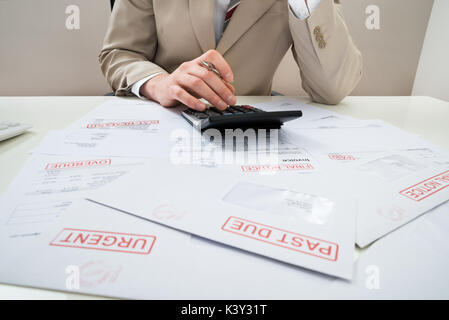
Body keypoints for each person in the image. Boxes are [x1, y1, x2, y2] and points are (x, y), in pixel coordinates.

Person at [99, 0, 362, 111]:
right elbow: (120, 53)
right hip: (165, 116)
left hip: (249, 129)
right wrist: (158, 84)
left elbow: (333, 89)